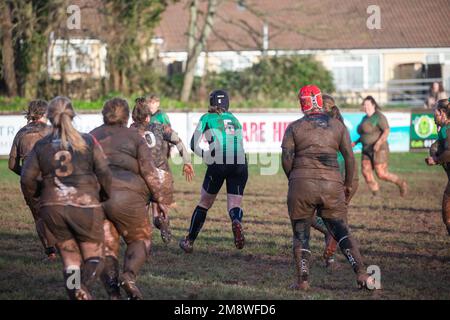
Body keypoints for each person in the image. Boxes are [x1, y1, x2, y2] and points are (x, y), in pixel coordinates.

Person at [281, 85, 375, 291]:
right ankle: (361, 273)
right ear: (320, 102)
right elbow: (350, 158)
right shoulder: (337, 126)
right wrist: (348, 184)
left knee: (301, 234)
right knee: (341, 230)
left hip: (301, 184)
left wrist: (294, 179)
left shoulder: (294, 127)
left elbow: (286, 160)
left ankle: (303, 281)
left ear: (302, 103)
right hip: (332, 184)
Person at [20, 96, 112, 300]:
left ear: (50, 117)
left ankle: (76, 292)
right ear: (73, 114)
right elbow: (105, 173)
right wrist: (105, 195)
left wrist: (38, 196)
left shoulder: (42, 145)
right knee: (95, 257)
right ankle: (83, 287)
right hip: (85, 205)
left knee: (70, 262)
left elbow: (26, 179)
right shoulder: (87, 140)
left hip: (54, 207)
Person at [90, 98, 172, 300]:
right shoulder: (134, 137)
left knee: (107, 246)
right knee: (139, 239)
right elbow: (148, 170)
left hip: (95, 196)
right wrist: (160, 199)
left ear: (103, 114)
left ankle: (113, 292)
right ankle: (128, 277)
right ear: (126, 116)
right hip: (127, 194)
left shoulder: (91, 136)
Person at [179, 90, 248, 253]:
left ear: (211, 103)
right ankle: (236, 220)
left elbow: (193, 144)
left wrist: (205, 155)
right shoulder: (234, 119)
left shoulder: (207, 118)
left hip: (219, 161)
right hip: (240, 162)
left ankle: (189, 241)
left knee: (204, 203)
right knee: (234, 204)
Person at [131, 97, 195, 243]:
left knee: (142, 213)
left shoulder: (131, 131)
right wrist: (187, 162)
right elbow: (177, 141)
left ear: (133, 117)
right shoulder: (160, 127)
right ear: (148, 117)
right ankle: (163, 219)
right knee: (158, 211)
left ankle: (142, 239)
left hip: (142, 176)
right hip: (162, 175)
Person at [8, 100, 57, 260]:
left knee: (39, 216)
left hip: (29, 180)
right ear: (45, 114)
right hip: (50, 177)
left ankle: (50, 253)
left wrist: (26, 174)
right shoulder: (52, 131)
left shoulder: (21, 133)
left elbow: (11, 165)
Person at [352, 96, 408, 197]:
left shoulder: (379, 116)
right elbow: (365, 135)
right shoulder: (365, 118)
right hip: (366, 149)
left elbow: (386, 131)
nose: (365, 106)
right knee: (365, 172)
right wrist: (356, 142)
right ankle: (376, 194)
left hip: (379, 149)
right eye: (364, 105)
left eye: (367, 104)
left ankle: (401, 183)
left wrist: (378, 143)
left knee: (381, 173)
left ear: (373, 105)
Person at [425, 98, 450, 235]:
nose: (433, 113)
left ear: (441, 112)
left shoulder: (447, 129)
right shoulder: (443, 129)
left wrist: (436, 159)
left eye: (435, 110)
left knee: (448, 218)